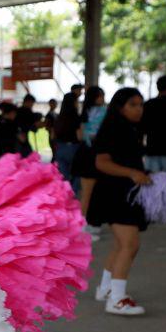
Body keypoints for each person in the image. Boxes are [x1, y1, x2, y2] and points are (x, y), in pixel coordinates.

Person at [87, 87, 151, 315]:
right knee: (129, 244)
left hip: (124, 192)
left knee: (121, 244)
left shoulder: (128, 127)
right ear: (120, 107)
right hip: (115, 193)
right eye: (133, 104)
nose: (138, 109)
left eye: (140, 104)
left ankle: (106, 289)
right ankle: (117, 299)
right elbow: (101, 162)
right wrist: (132, 173)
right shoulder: (113, 128)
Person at [72, 86, 107, 233]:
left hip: (86, 154)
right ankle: (84, 225)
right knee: (90, 193)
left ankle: (88, 222)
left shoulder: (84, 113)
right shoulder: (105, 113)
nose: (102, 98)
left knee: (89, 193)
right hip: (94, 155)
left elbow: (79, 136)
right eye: (100, 96)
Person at [51, 91, 83, 194]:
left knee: (63, 177)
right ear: (74, 103)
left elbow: (53, 136)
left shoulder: (58, 118)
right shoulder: (76, 118)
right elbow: (79, 136)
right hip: (73, 148)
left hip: (60, 148)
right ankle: (72, 196)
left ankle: (64, 196)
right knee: (76, 175)